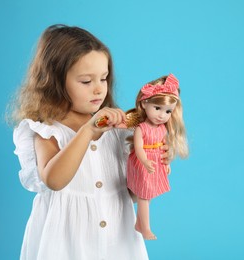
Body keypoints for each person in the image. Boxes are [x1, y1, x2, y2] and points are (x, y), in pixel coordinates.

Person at [10, 24, 168, 260]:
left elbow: (129, 194)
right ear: (55, 81)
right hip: (66, 242)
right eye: (86, 81)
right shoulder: (47, 130)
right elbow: (54, 180)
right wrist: (87, 131)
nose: (98, 89)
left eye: (103, 79)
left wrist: (152, 166)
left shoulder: (117, 129)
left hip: (118, 239)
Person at [126, 74, 189, 240]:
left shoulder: (162, 128)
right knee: (144, 196)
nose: (162, 115)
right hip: (143, 162)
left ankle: (140, 223)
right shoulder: (141, 128)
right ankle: (144, 226)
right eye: (157, 108)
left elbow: (162, 145)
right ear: (145, 103)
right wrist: (145, 161)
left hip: (156, 162)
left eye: (168, 111)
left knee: (149, 194)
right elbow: (138, 147)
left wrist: (167, 163)